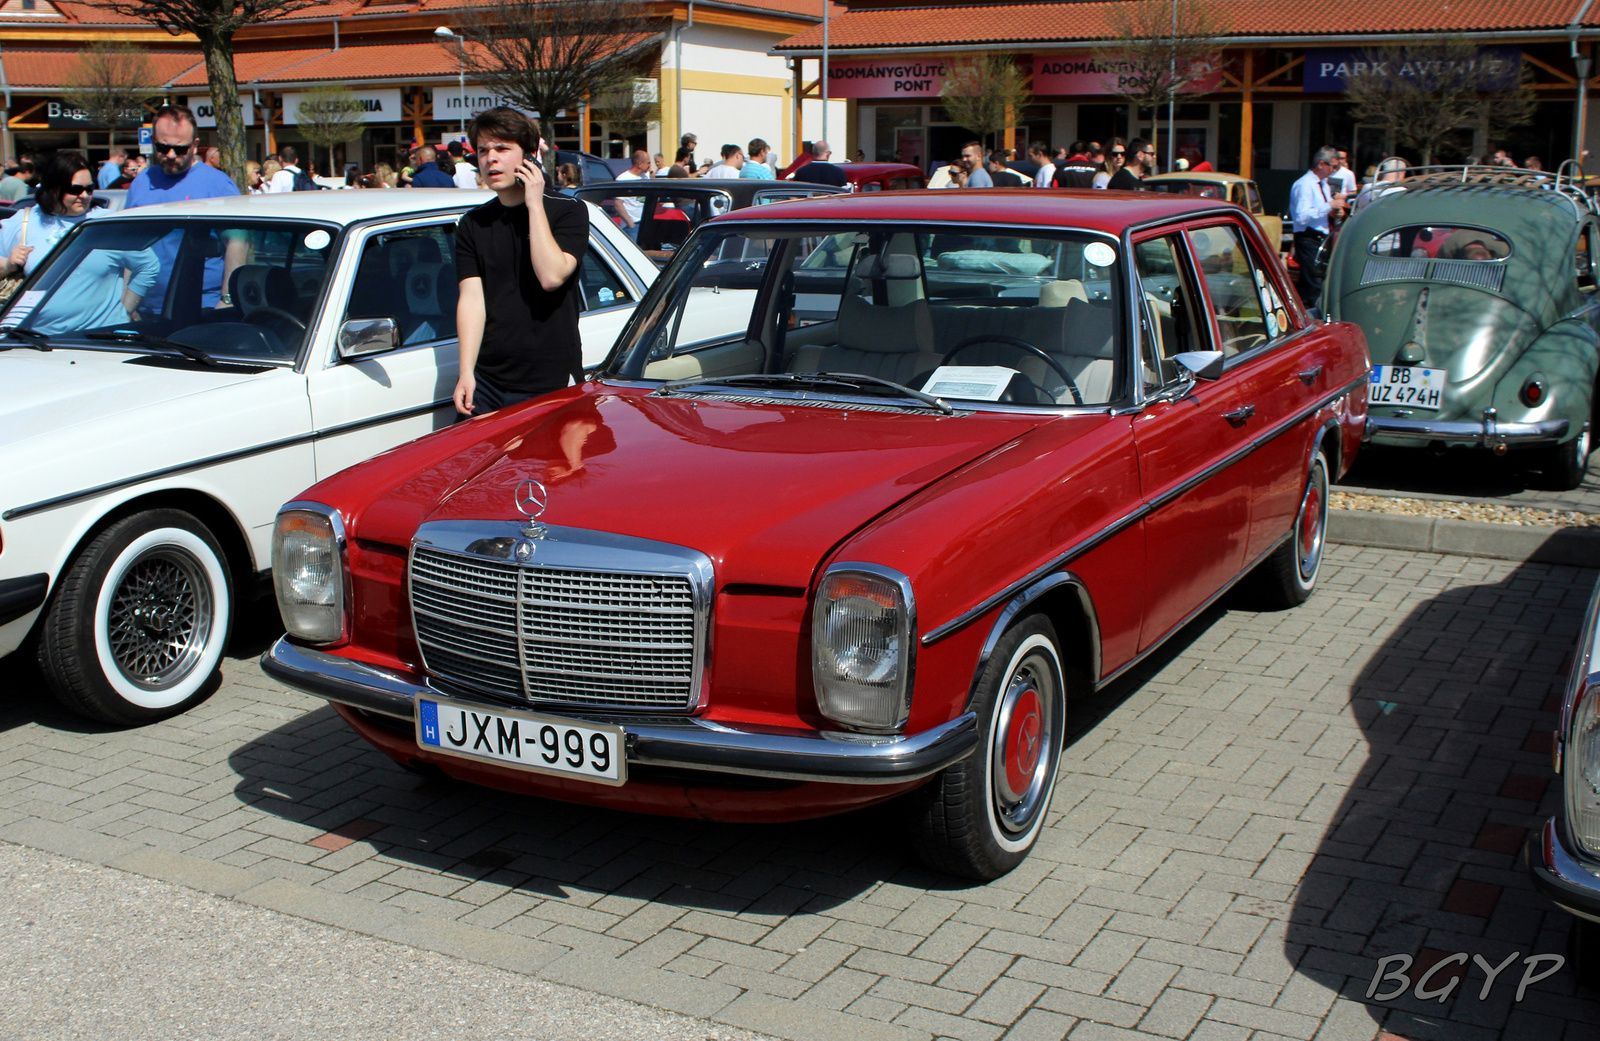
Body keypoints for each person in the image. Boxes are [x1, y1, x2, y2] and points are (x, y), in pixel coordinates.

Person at [453, 106, 589, 419]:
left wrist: (534, 204)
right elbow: (472, 300)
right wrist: (466, 372)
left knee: (546, 469)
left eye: (502, 148)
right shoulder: (473, 224)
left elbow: (551, 276)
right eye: (483, 150)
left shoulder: (567, 211)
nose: (491, 159)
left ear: (528, 156)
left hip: (550, 381)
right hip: (488, 381)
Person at [0, 151, 159, 333]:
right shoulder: (24, 221)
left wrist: (125, 310)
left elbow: (149, 266)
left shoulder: (106, 224)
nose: (84, 195)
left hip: (98, 340)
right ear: (53, 187)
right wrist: (8, 265)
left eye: (89, 189)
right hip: (36, 341)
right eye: (75, 189)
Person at [125, 104, 245, 311]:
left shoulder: (218, 184)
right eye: (163, 148)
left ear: (195, 145)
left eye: (180, 149)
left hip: (202, 306)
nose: (171, 155)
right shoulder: (141, 182)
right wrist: (127, 304)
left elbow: (238, 242)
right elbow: (128, 245)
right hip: (146, 306)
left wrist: (227, 299)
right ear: (153, 141)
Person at [1290, 146, 1348, 315]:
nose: (1334, 170)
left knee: (1320, 281)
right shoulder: (1305, 185)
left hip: (1322, 237)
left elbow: (1324, 211)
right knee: (1313, 283)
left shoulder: (1322, 185)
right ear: (1321, 164)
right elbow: (1302, 216)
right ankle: (1310, 317)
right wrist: (1328, 206)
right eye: (1333, 166)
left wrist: (1336, 210)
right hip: (1308, 237)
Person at [613, 149, 651, 240]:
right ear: (640, 164)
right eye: (648, 163)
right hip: (633, 225)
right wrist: (631, 224)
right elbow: (618, 204)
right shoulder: (623, 179)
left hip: (645, 222)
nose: (650, 166)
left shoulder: (645, 177)